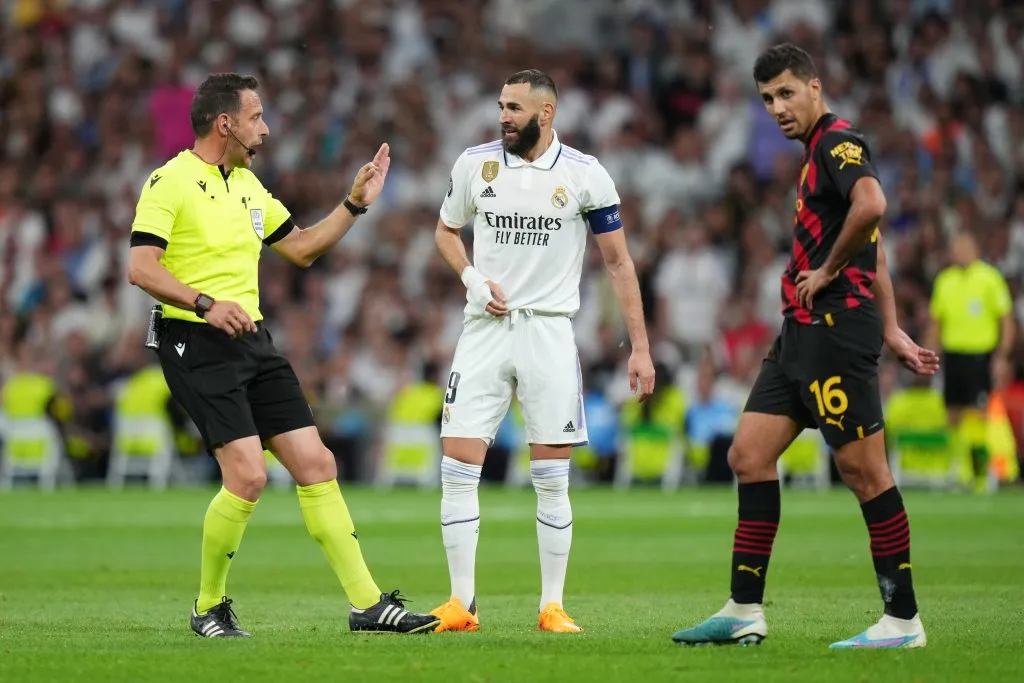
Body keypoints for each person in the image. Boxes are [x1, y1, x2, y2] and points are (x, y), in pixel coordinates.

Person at [127, 73, 440, 638]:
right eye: (256, 117)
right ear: (226, 123)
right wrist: (203, 304)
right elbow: (141, 267)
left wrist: (353, 204)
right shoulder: (168, 181)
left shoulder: (247, 185)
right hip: (194, 340)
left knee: (317, 464)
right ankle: (208, 608)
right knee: (247, 476)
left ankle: (367, 606)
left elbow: (300, 249)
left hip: (252, 340)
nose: (265, 129)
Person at [670, 44, 939, 650]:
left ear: (815, 87)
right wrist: (894, 328)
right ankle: (744, 609)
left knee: (864, 472)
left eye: (787, 93)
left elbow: (873, 206)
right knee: (748, 454)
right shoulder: (813, 154)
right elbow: (876, 242)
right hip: (799, 336)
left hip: (836, 330)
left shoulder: (839, 142)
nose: (777, 107)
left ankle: (903, 622)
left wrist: (826, 271)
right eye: (767, 99)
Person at [430, 69, 656, 633]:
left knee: (552, 477)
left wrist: (641, 348)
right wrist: (472, 279)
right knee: (458, 469)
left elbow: (619, 263)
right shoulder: (474, 165)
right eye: (500, 105)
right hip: (483, 328)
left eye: (513, 108)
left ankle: (551, 606)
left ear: (546, 113)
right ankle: (462, 604)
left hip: (549, 332)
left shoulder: (585, 175)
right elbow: (445, 231)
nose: (503, 116)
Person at [928, 231, 1014, 492]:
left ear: (975, 249)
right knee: (952, 415)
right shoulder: (945, 281)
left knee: (977, 416)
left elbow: (1006, 322)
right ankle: (957, 471)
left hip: (980, 357)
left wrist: (1001, 356)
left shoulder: (989, 278)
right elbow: (936, 323)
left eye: (964, 246)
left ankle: (978, 474)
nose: (960, 252)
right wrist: (929, 354)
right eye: (956, 247)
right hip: (953, 357)